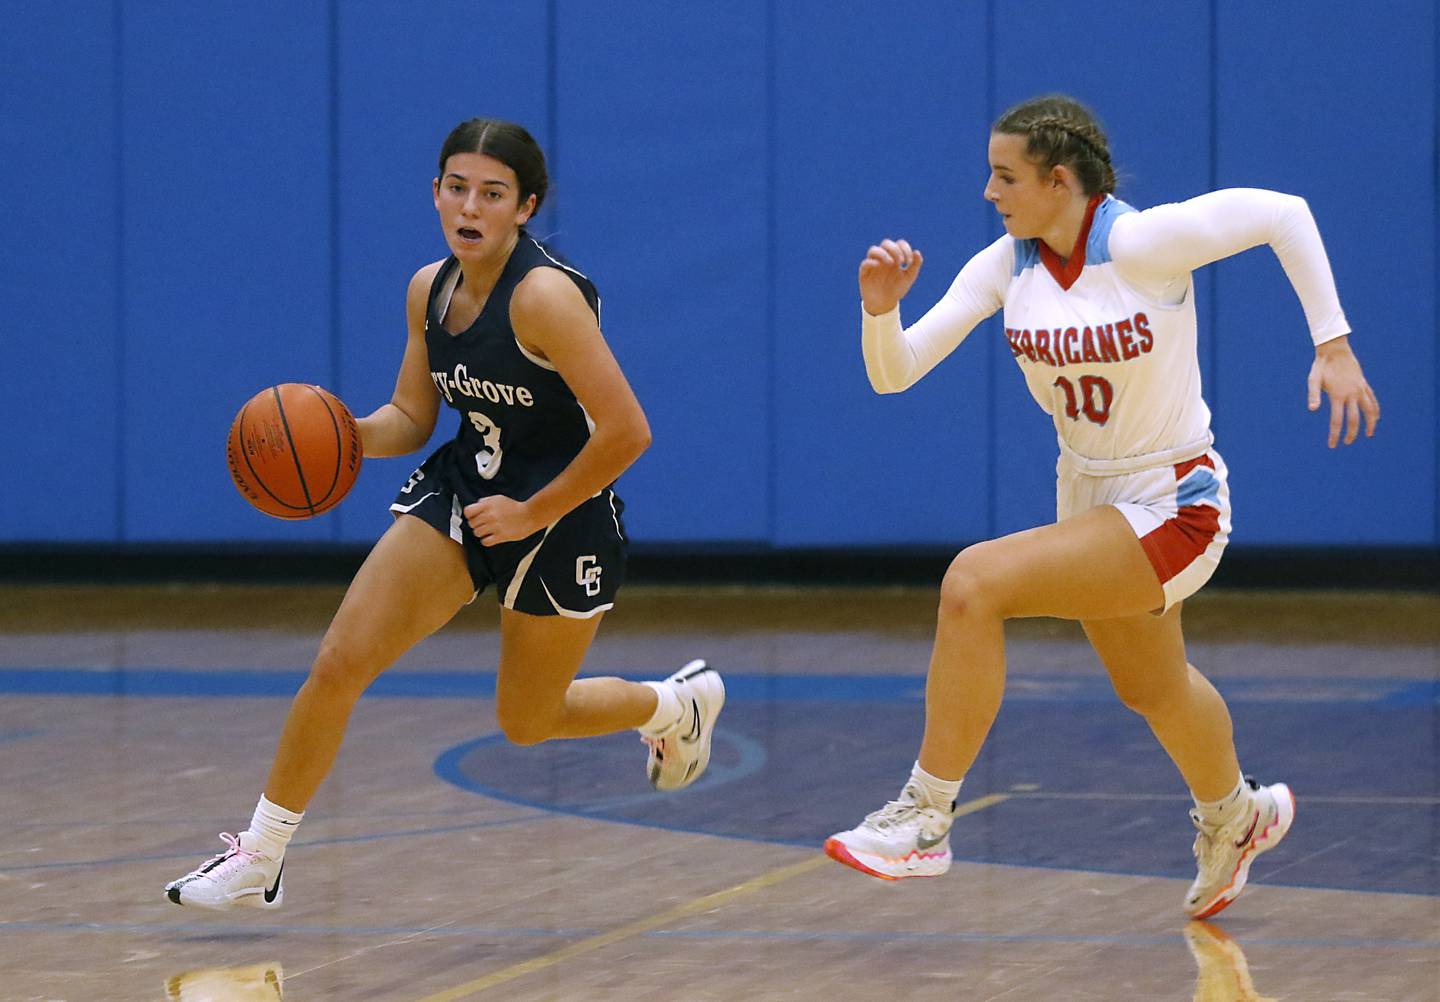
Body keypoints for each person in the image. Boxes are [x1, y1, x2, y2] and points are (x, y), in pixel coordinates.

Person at [823, 94, 1379, 918]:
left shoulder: (1141, 242)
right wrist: (880, 311)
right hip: (1089, 493)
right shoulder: (1002, 267)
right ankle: (1237, 815)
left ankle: (925, 817)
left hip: (1174, 499)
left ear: (1059, 180)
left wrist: (1333, 345)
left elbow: (1284, 213)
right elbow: (895, 371)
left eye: (1005, 176)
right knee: (1152, 688)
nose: (989, 192)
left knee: (974, 583)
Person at [165, 118, 724, 911]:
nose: (471, 206)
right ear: (435, 193)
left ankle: (675, 706)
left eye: (492, 194)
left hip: (562, 516)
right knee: (338, 661)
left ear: (525, 207)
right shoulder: (428, 288)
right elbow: (411, 415)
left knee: (528, 722)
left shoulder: (545, 299)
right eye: (457, 188)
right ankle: (262, 853)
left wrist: (534, 511)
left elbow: (629, 430)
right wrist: (340, 438)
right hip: (466, 492)